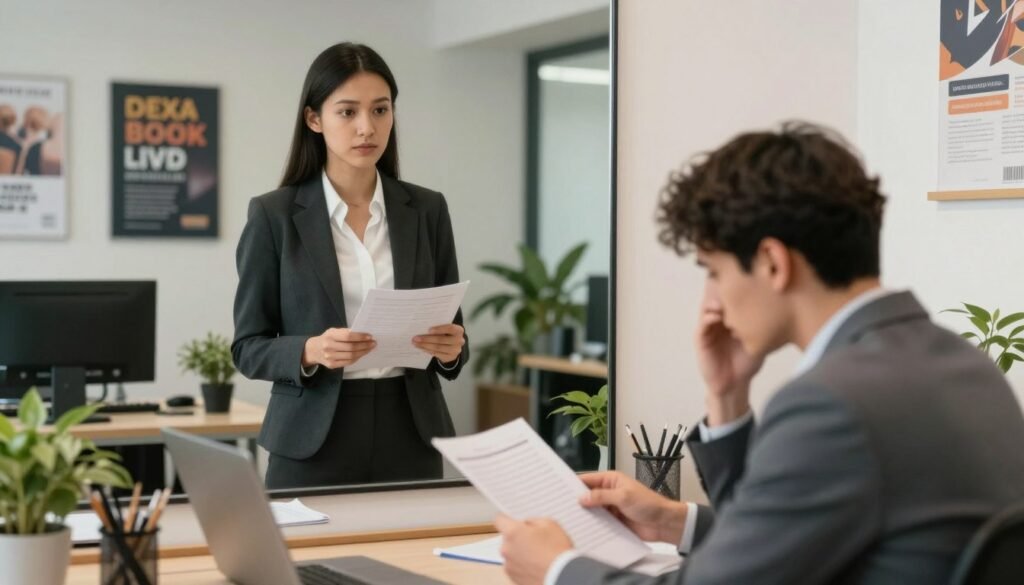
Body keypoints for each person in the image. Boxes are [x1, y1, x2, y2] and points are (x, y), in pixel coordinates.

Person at [495, 122, 1024, 585]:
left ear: (772, 263)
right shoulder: (965, 365)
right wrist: (720, 411)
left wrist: (557, 569)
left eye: (714, 271)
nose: (710, 300)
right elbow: (782, 545)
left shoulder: (832, 405)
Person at [232, 42, 469, 489]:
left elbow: (451, 331)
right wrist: (311, 350)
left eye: (380, 110)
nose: (367, 127)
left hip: (411, 429)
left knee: (412, 558)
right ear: (314, 119)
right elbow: (248, 346)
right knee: (307, 561)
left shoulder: (427, 209)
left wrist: (452, 348)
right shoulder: (274, 216)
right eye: (347, 112)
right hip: (312, 434)